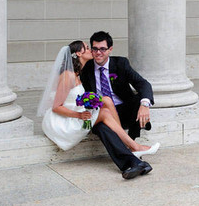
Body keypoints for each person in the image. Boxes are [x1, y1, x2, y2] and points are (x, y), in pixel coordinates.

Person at [37, 40, 158, 180]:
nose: (91, 50)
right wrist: (79, 114)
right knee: (104, 114)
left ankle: (132, 153)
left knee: (105, 101)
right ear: (78, 53)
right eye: (87, 48)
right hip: (64, 123)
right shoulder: (68, 75)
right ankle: (133, 147)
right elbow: (56, 107)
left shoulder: (77, 73)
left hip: (78, 114)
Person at [80, 31, 159, 173]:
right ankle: (129, 163)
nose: (98, 53)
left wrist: (145, 105)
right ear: (91, 49)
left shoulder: (121, 63)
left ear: (110, 49)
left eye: (102, 49)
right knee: (100, 127)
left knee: (138, 98)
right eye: (95, 49)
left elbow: (143, 84)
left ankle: (131, 142)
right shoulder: (86, 69)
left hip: (123, 110)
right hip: (102, 113)